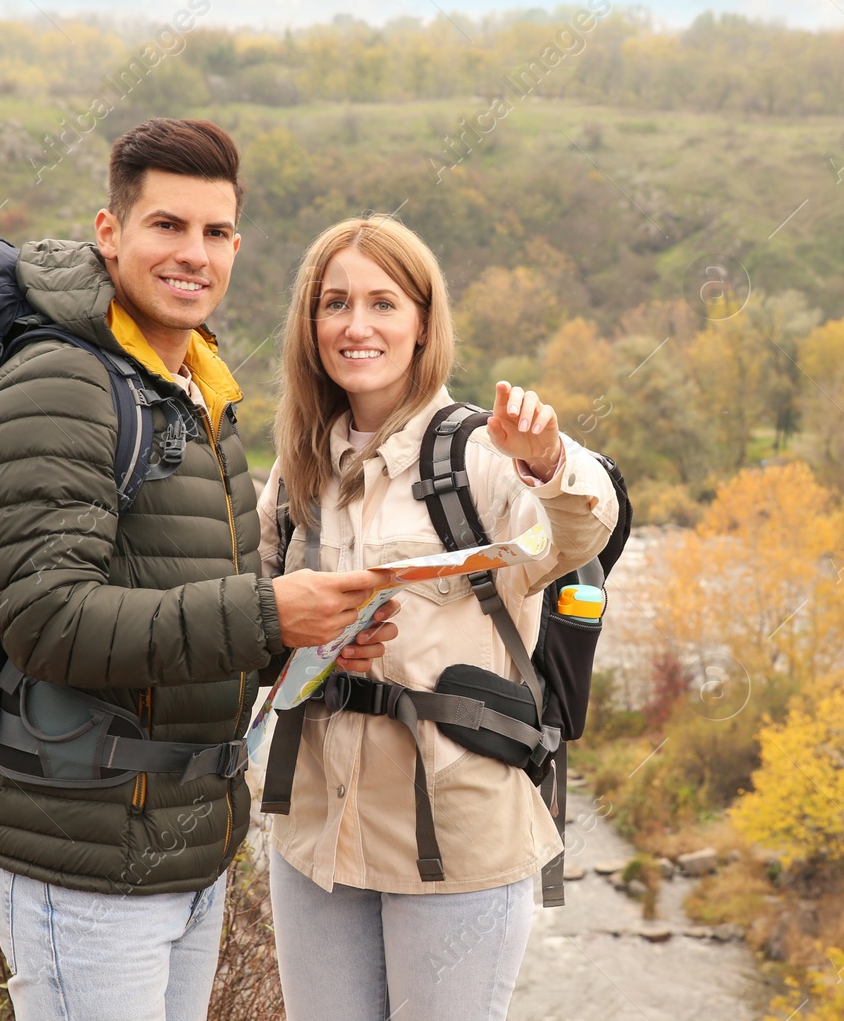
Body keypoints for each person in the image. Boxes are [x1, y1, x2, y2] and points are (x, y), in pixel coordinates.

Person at [0, 118, 400, 1021]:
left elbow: (178, 606)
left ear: (237, 244)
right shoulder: (63, 384)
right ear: (109, 231)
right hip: (82, 853)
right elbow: (48, 621)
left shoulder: (195, 391)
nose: (192, 254)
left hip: (180, 843)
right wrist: (270, 614)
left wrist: (305, 646)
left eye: (214, 232)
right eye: (167, 226)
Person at [257, 215, 619, 1020]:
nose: (357, 325)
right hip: (313, 830)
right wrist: (300, 642)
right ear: (309, 325)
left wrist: (550, 460)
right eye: (335, 302)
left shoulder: (481, 456)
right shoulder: (297, 472)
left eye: (384, 303)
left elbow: (578, 530)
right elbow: (256, 619)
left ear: (423, 324)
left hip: (459, 837)